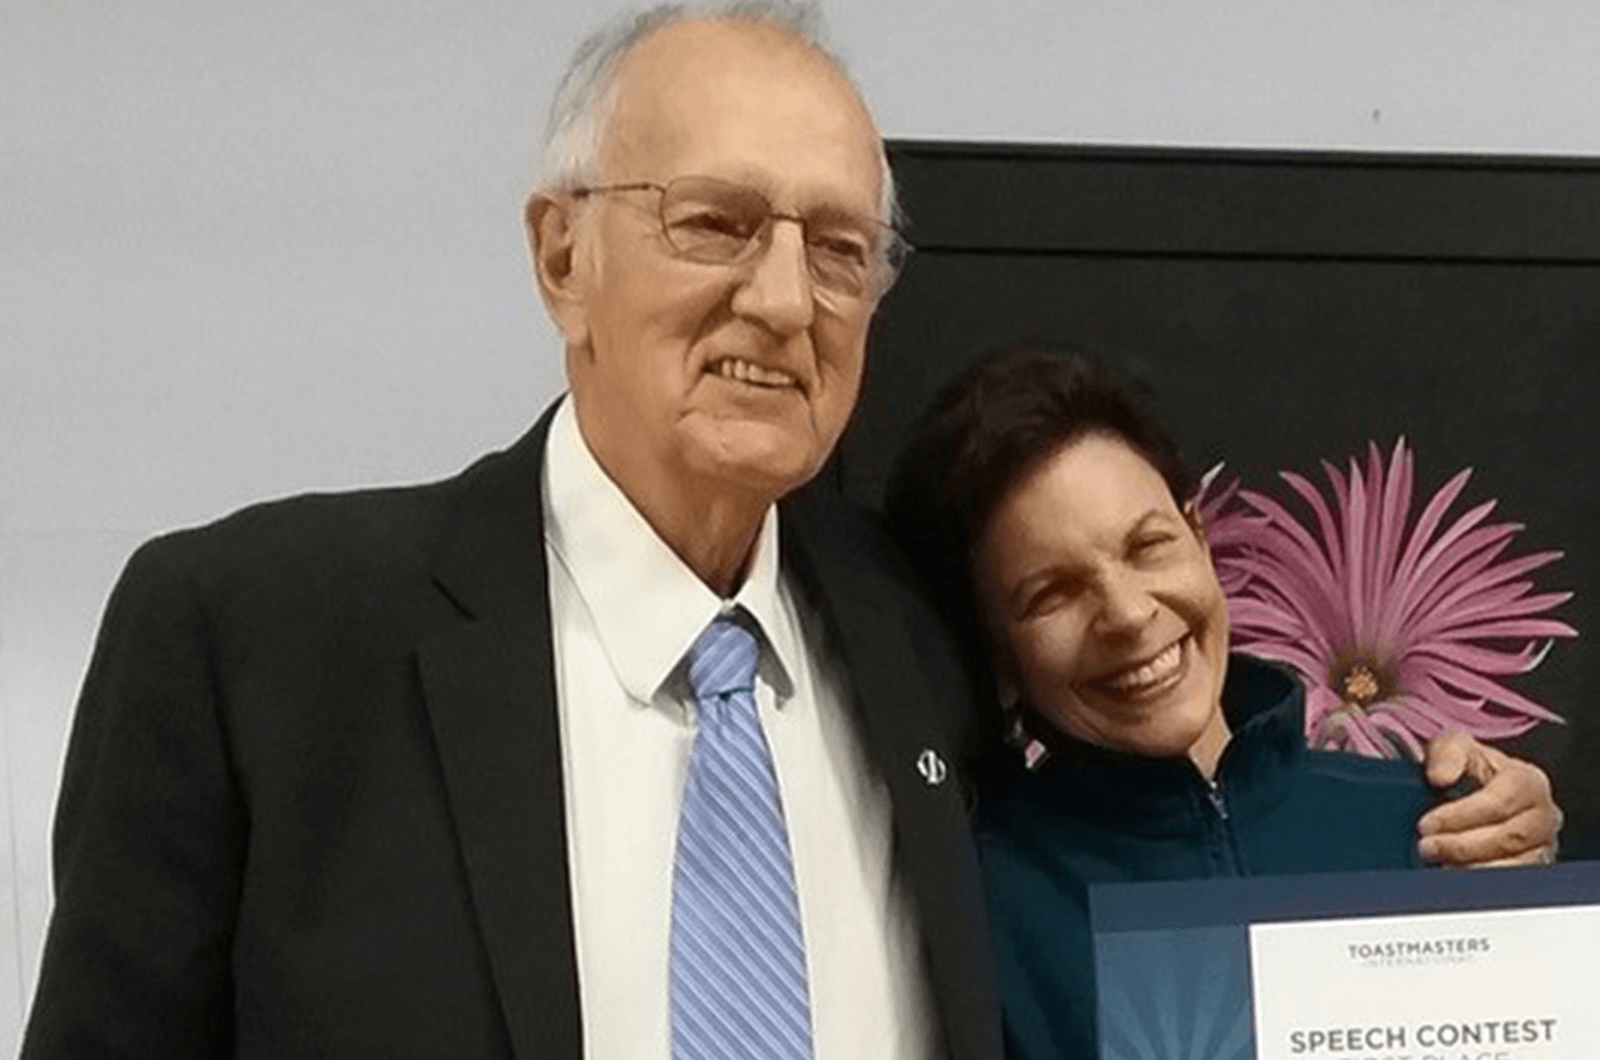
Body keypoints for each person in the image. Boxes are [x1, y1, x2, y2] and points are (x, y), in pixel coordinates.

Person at [21, 5, 1557, 1059]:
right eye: (715, 222)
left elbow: (1158, 807)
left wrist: (1489, 847)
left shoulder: (916, 635)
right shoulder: (255, 640)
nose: (780, 298)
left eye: (837, 248)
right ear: (561, 254)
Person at [883, 345, 1555, 1060]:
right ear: (996, 652)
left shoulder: (1438, 827)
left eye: (1148, 546)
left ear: (1201, 539)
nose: (1128, 613)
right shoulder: (975, 908)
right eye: (1053, 593)